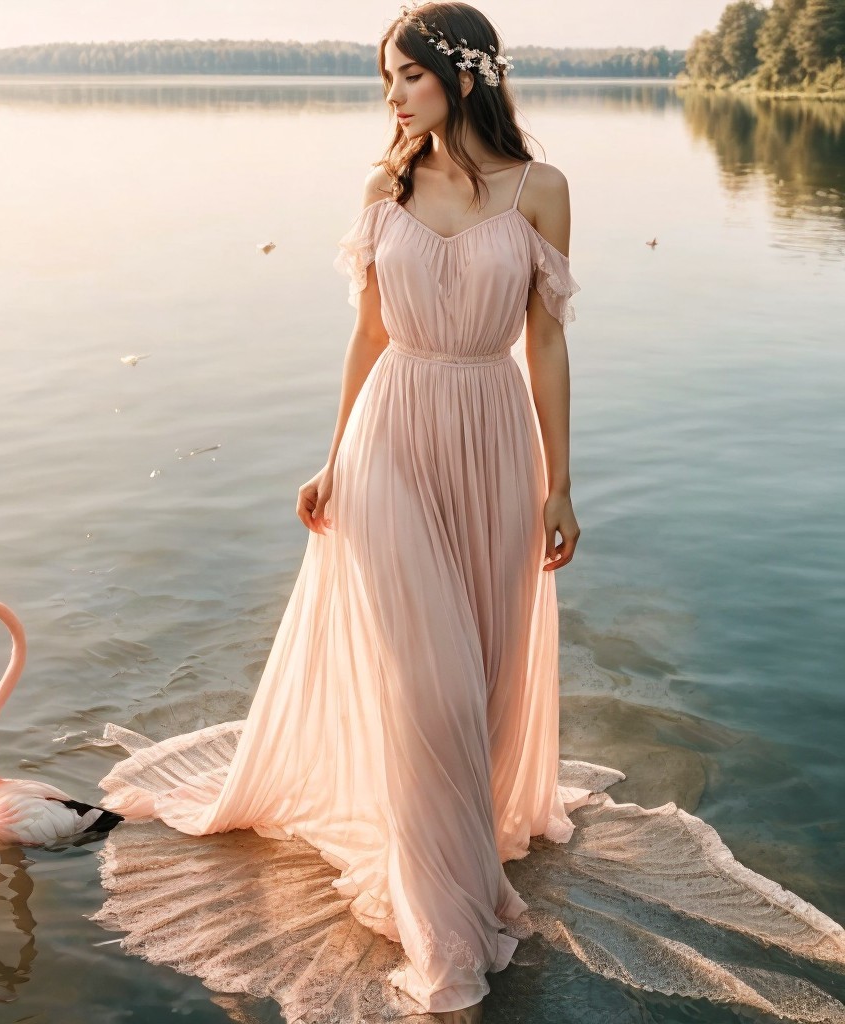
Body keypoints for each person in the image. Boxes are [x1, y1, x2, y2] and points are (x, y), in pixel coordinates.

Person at [98, 3, 592, 1020]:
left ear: (462, 76)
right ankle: (441, 909)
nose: (393, 96)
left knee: (485, 671)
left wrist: (560, 481)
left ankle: (457, 831)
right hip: (389, 440)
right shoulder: (384, 189)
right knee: (429, 683)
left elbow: (545, 342)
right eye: (386, 79)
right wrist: (330, 461)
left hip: (494, 437)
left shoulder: (540, 190)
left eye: (408, 75)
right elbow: (367, 335)